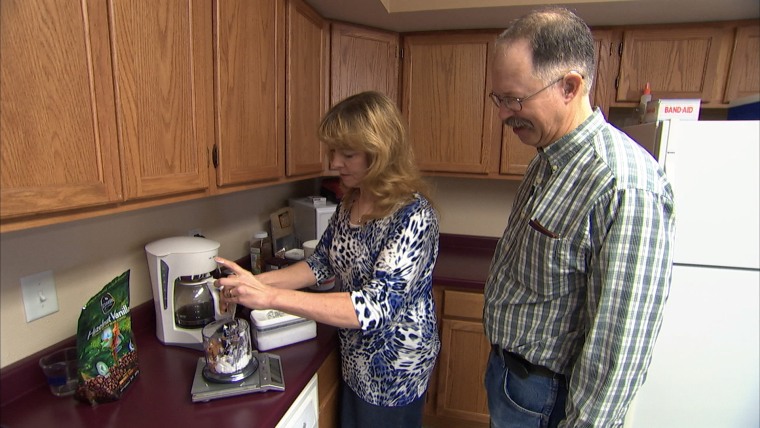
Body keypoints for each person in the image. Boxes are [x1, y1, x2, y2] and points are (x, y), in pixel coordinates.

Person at [483, 7, 676, 427]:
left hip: (550, 397)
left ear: (570, 86)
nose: (502, 115)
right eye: (499, 99)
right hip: (512, 378)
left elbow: (618, 346)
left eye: (514, 99)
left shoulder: (624, 185)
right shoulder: (546, 159)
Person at [214, 91, 440, 428]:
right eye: (332, 151)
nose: (334, 163)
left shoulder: (413, 216)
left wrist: (270, 297)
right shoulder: (351, 202)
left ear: (380, 153)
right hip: (353, 357)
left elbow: (373, 307)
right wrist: (253, 283)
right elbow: (320, 263)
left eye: (347, 153)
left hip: (394, 369)